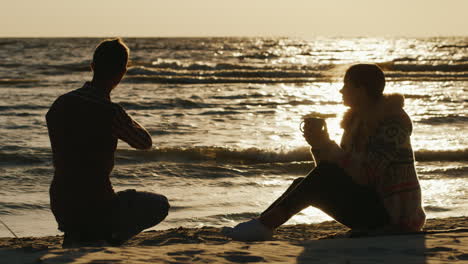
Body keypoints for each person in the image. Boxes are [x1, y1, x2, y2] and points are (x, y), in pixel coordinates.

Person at [226, 64, 426, 241]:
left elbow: (366, 175)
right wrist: (318, 145)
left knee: (319, 178)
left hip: (395, 216)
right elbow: (335, 171)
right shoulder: (355, 122)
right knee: (300, 184)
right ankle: (261, 224)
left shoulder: (392, 122)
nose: (341, 90)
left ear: (360, 90)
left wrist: (329, 146)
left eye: (346, 85)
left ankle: (261, 226)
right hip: (372, 206)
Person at [46, 38, 170, 247]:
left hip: (61, 203)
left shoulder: (61, 103)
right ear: (122, 72)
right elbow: (144, 142)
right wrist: (123, 115)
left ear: (93, 66)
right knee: (159, 204)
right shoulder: (110, 112)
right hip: (97, 204)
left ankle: (80, 233)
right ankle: (107, 238)